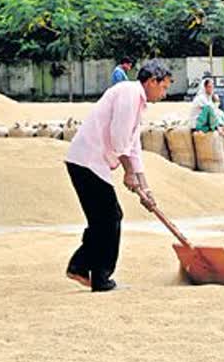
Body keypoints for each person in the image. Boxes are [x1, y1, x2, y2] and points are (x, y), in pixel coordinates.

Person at [65, 59, 172, 292]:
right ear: (152, 81)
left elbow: (133, 147)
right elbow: (118, 137)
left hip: (91, 162)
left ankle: (81, 266)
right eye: (164, 87)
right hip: (87, 160)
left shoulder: (138, 102)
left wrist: (145, 187)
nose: (165, 93)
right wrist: (128, 173)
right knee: (110, 217)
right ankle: (99, 277)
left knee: (104, 219)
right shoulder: (129, 93)